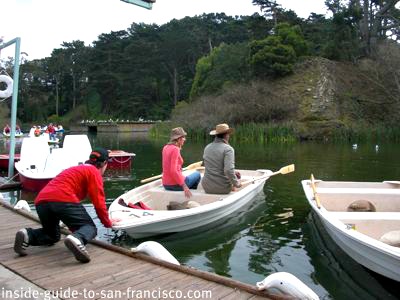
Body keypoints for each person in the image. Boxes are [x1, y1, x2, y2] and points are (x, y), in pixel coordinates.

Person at [13, 147, 119, 263]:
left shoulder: (75, 169)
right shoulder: (94, 172)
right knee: (90, 228)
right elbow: (99, 203)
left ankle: (27, 235)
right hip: (62, 199)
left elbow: (66, 209)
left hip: (41, 201)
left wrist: (73, 227)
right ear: (104, 163)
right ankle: (77, 238)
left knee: (52, 235)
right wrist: (108, 223)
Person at [201, 123, 242, 194]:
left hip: (206, 187)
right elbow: (228, 170)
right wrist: (236, 183)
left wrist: (233, 173)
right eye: (228, 134)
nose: (229, 136)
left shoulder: (207, 147)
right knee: (236, 179)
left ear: (216, 135)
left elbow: (207, 166)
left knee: (234, 174)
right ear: (226, 135)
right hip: (222, 188)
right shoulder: (228, 149)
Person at [162, 127, 201, 198]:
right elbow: (173, 171)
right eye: (183, 137)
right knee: (197, 174)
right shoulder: (175, 149)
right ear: (179, 139)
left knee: (187, 177)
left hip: (166, 184)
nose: (185, 139)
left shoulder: (165, 147)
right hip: (176, 185)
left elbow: (170, 165)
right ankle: (191, 196)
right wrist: (184, 186)